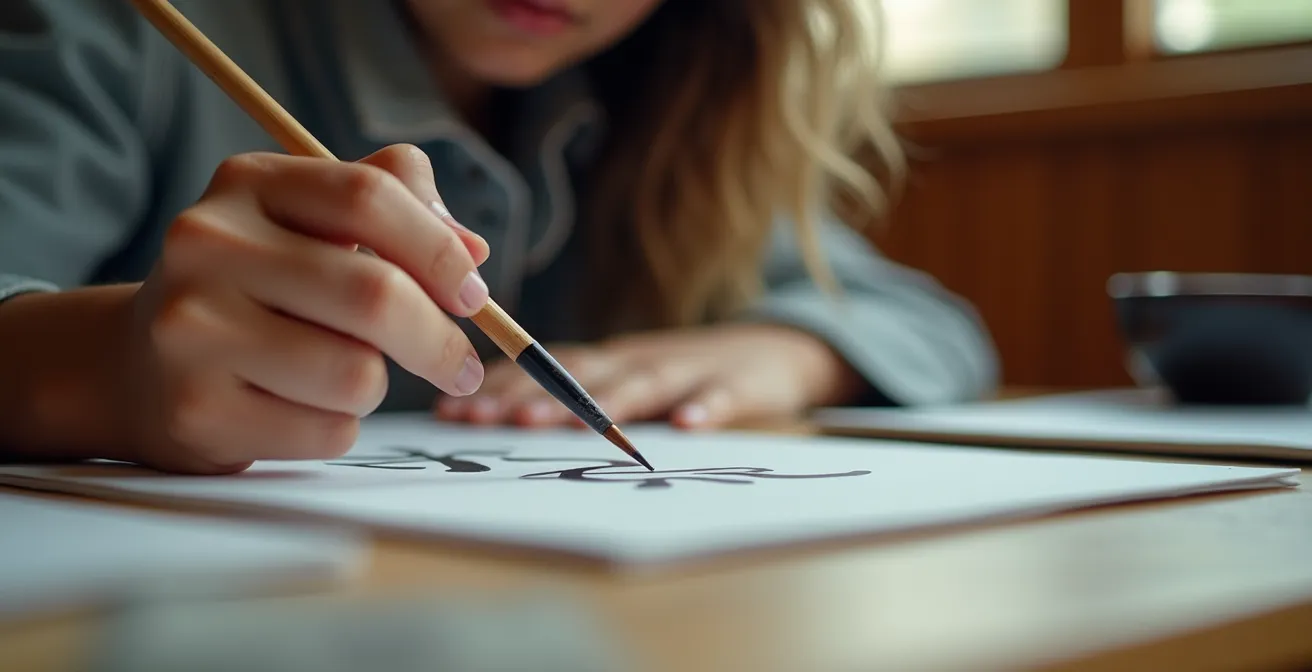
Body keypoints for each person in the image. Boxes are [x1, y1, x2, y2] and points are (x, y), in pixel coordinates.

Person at [0, 0, 997, 474]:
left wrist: (786, 351)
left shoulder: (676, 92)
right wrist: (105, 372)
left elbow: (926, 324)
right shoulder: (121, 29)